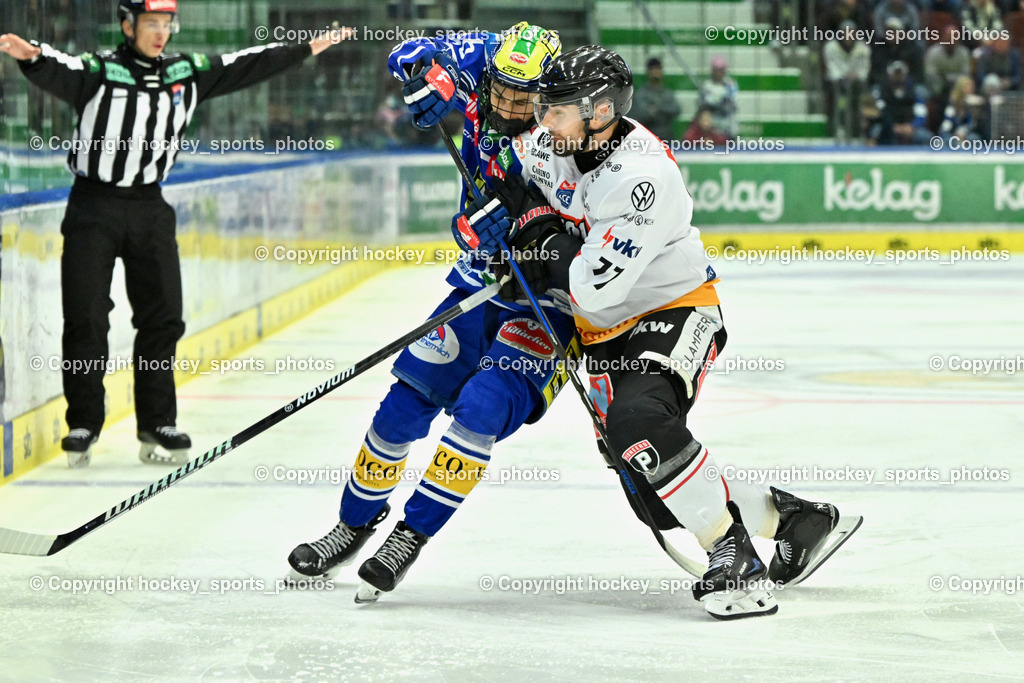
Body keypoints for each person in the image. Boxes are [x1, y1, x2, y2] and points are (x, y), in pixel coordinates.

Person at [488, 46, 861, 619]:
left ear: (600, 111)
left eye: (557, 111)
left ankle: (734, 558)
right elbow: (517, 177)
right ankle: (796, 521)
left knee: (638, 424)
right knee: (656, 497)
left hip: (677, 309)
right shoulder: (554, 139)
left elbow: (591, 289)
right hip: (604, 334)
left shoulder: (642, 178)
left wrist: (545, 243)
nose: (543, 121)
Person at [285, 22, 577, 604]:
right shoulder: (489, 63)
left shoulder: (571, 130)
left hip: (545, 304)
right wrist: (427, 78)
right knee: (401, 407)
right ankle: (352, 524)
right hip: (476, 283)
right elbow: (415, 52)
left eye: (525, 101)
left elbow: (590, 230)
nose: (510, 106)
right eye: (502, 93)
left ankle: (409, 536)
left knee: (481, 409)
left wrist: (530, 237)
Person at [0, 1, 348, 468]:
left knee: (163, 317)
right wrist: (32, 55)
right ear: (128, 26)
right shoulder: (102, 70)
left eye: (166, 25)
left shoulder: (186, 72)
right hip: (93, 207)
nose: (160, 33)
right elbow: (61, 69)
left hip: (150, 206)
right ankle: (83, 422)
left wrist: (304, 47)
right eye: (151, 24)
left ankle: (157, 421)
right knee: (86, 317)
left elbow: (245, 63)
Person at [823, 20, 871, 141]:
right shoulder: (831, 47)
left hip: (857, 84)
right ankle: (836, 127)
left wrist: (855, 76)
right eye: (846, 33)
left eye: (851, 33)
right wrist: (842, 77)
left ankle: (857, 129)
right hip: (837, 82)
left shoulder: (863, 49)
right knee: (836, 91)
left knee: (861, 91)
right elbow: (831, 68)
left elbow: (864, 69)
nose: (849, 36)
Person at [870, 61, 931, 145]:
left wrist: (912, 126)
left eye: (900, 73)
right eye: (895, 73)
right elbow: (881, 112)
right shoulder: (881, 91)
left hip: (909, 127)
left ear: (905, 75)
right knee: (875, 132)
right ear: (889, 75)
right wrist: (893, 126)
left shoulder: (914, 91)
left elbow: (921, 114)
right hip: (888, 127)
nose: (898, 76)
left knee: (925, 136)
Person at [629, 57, 681, 142]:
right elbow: (640, 115)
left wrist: (658, 108)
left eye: (658, 69)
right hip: (647, 138)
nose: (655, 72)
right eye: (653, 69)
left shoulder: (667, 93)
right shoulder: (641, 94)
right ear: (648, 72)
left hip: (667, 137)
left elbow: (676, 109)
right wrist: (663, 110)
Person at [697, 56, 738, 139]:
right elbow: (701, 105)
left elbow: (733, 106)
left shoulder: (730, 85)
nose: (718, 73)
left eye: (721, 70)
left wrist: (719, 104)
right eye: (716, 70)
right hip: (710, 129)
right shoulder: (706, 86)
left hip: (727, 127)